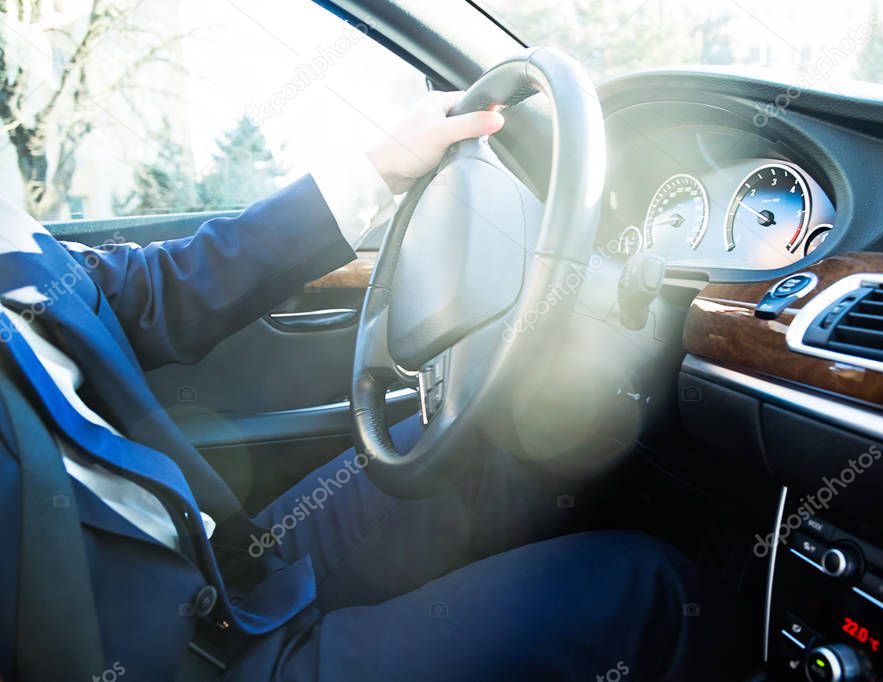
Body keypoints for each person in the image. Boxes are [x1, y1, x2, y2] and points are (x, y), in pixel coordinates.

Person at [0, 92, 709, 681]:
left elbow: (143, 293)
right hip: (205, 665)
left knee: (497, 451)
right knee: (650, 591)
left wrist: (379, 171)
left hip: (225, 571)